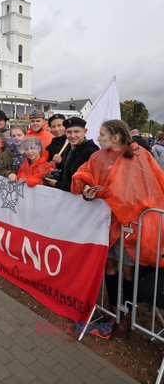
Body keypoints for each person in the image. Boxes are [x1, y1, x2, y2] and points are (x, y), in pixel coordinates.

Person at [71, 119, 164, 338]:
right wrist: (86, 191)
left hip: (130, 225)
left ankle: (128, 313)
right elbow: (84, 175)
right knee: (109, 266)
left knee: (128, 269)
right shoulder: (98, 156)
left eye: (102, 134)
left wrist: (123, 202)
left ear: (116, 137)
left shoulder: (140, 154)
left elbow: (154, 185)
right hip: (105, 222)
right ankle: (114, 310)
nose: (98, 138)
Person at [45, 117, 99, 191]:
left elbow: (84, 184)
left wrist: (57, 184)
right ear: (65, 132)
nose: (73, 136)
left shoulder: (90, 151)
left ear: (85, 131)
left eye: (76, 132)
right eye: (69, 132)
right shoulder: (69, 148)